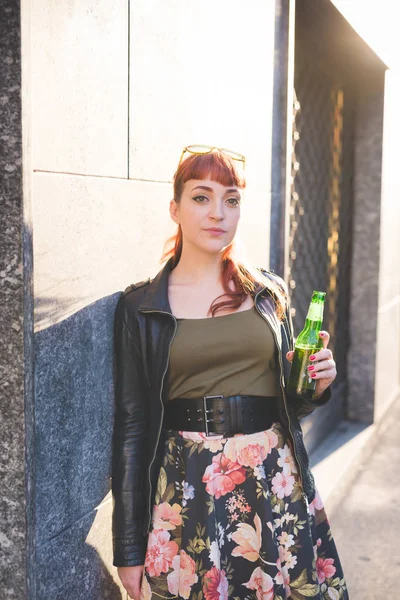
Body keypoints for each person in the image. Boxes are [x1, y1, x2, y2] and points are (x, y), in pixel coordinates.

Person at [111, 146, 348, 600]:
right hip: (188, 489)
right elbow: (132, 428)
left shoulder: (266, 292)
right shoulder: (140, 307)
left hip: (273, 482)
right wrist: (128, 548)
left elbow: (286, 402)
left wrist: (318, 385)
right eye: (201, 197)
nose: (218, 212)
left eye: (232, 199)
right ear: (174, 208)